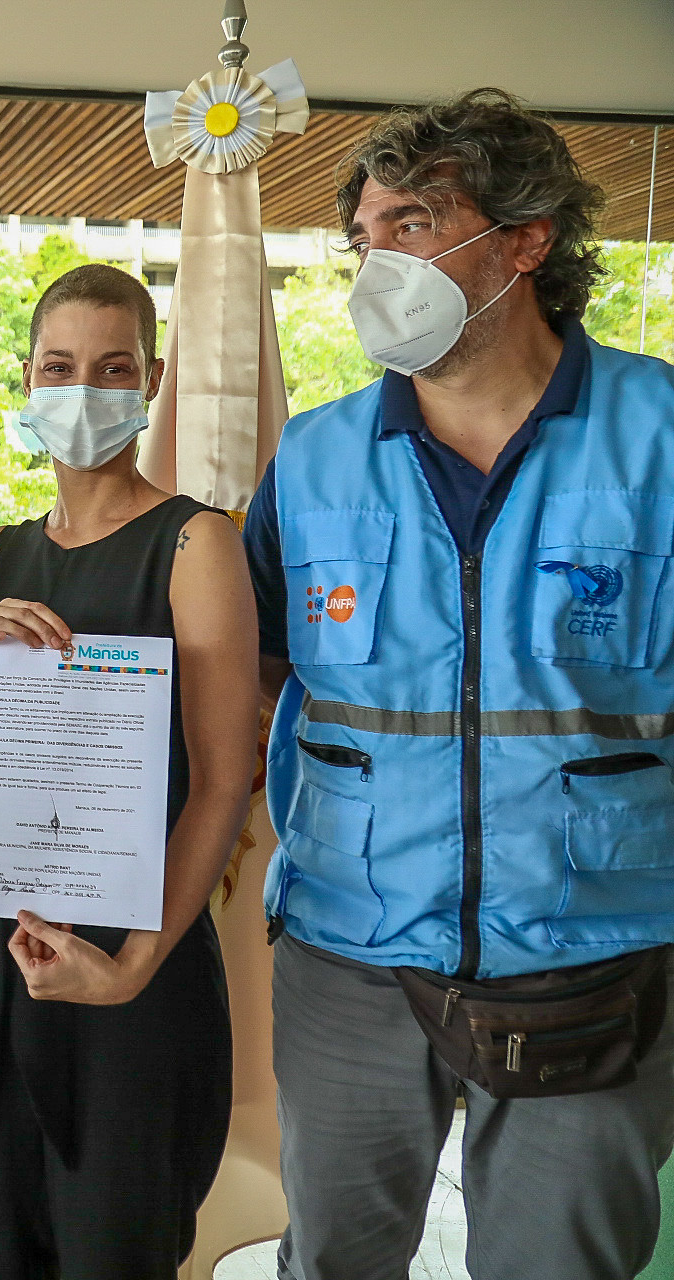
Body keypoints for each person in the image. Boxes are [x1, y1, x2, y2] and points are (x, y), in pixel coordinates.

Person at [244, 89, 674, 1280]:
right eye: (365, 235)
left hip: (595, 945)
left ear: (525, 239)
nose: (379, 259)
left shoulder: (662, 437)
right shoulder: (316, 455)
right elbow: (253, 672)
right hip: (350, 943)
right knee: (330, 1255)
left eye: (415, 224)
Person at [0, 264, 258, 1279]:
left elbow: (222, 778)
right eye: (61, 366)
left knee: (115, 1247)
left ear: (151, 379)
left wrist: (130, 964)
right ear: (26, 380)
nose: (84, 390)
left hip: (132, 957)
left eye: (112, 366)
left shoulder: (197, 541)